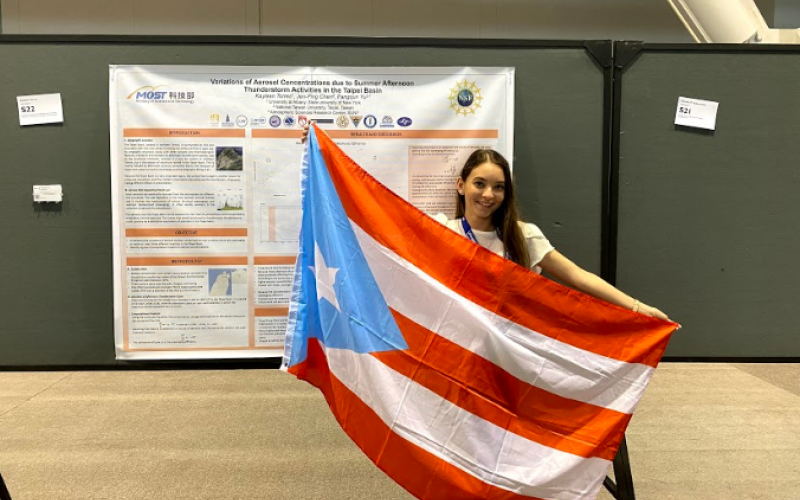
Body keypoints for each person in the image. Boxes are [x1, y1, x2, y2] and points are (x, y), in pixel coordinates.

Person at [301, 126, 671, 321]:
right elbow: (372, 213)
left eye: (498, 187)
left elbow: (576, 277)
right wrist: (323, 159)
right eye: (479, 184)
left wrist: (637, 308)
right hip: (459, 343)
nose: (488, 194)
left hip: (512, 344)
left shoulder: (523, 237)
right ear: (461, 186)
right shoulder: (441, 230)